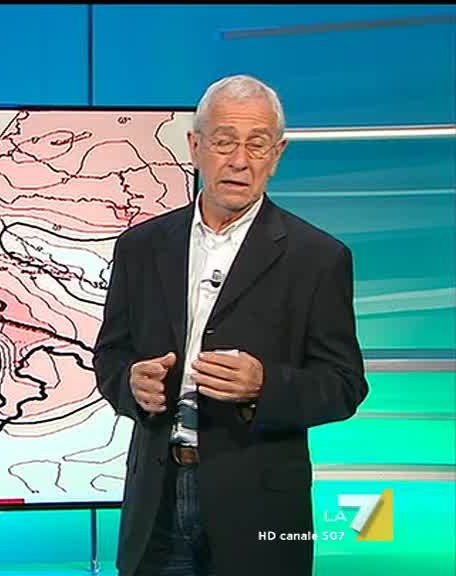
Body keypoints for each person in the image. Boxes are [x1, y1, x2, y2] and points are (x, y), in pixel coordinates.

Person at [93, 74, 369, 576]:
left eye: (256, 145)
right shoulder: (140, 247)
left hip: (260, 509)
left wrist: (265, 385)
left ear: (277, 155)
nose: (239, 160)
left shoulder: (318, 258)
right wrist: (130, 386)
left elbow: (345, 385)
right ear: (195, 146)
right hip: (155, 503)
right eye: (224, 142)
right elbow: (111, 356)